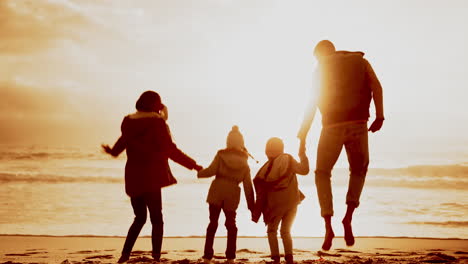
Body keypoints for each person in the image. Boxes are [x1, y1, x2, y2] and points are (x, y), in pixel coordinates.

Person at [297, 40, 385, 250]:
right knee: (358, 170)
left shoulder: (321, 67)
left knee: (322, 173)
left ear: (321, 54)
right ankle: (348, 217)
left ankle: (328, 224)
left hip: (331, 126)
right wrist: (380, 116)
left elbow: (311, 103)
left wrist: (303, 135)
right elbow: (377, 87)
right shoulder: (360, 61)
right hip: (358, 124)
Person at [102, 90, 203, 263]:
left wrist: (112, 151)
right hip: (152, 176)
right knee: (157, 219)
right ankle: (156, 257)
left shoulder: (128, 122)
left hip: (133, 176)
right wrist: (193, 165)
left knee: (139, 218)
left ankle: (124, 255)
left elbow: (121, 143)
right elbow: (170, 150)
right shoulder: (157, 123)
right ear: (156, 105)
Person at [197, 126, 255, 264]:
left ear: (228, 141)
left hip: (217, 189)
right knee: (231, 225)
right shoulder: (245, 162)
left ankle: (207, 256)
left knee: (212, 223)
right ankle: (230, 257)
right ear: (241, 142)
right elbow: (248, 186)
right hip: (233, 193)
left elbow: (211, 170)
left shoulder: (221, 154)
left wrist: (200, 172)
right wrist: (251, 206)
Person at [252, 137, 309, 264]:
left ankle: (276, 258)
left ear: (267, 151)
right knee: (286, 231)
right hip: (292, 202)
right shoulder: (288, 159)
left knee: (272, 231)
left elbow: (260, 196)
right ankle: (289, 258)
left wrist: (256, 213)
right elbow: (305, 170)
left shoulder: (263, 171)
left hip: (275, 206)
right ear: (282, 148)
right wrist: (302, 155)